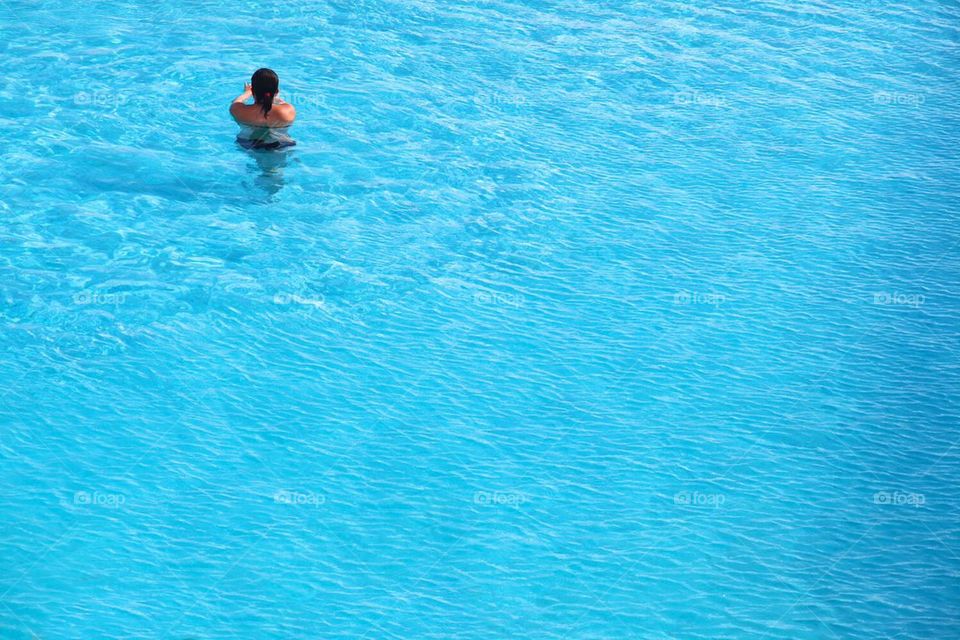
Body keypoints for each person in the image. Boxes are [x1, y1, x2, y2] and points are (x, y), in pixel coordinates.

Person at [231, 68, 296, 149]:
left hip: (248, 144)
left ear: (253, 91)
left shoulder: (238, 110)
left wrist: (247, 92)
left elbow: (236, 101)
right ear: (276, 91)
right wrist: (274, 96)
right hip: (281, 144)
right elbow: (280, 102)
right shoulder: (288, 110)